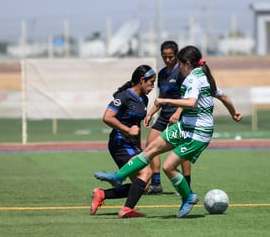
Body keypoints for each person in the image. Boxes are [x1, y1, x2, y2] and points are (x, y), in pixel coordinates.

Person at [94, 45, 243, 218]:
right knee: (151, 149)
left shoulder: (193, 79)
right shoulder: (204, 76)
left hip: (198, 133)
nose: (177, 67)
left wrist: (164, 101)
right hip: (185, 126)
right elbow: (222, 96)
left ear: (187, 63)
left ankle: (188, 197)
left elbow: (191, 103)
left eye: (179, 63)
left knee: (168, 166)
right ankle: (117, 176)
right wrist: (234, 113)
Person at [90, 65, 156, 218]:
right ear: (142, 80)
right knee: (146, 172)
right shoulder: (124, 96)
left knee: (143, 186)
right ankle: (126, 209)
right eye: (151, 82)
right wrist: (127, 130)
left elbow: (136, 126)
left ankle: (101, 194)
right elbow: (107, 117)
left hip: (132, 145)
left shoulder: (144, 99)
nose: (153, 86)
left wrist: (139, 148)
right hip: (120, 143)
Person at [144, 40, 192, 195]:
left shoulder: (181, 72)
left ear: (176, 56)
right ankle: (156, 183)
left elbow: (187, 98)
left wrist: (178, 113)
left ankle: (186, 184)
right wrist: (150, 112)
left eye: (171, 57)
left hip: (179, 114)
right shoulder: (162, 74)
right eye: (165, 57)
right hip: (164, 115)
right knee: (150, 145)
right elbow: (161, 97)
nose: (168, 60)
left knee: (181, 149)